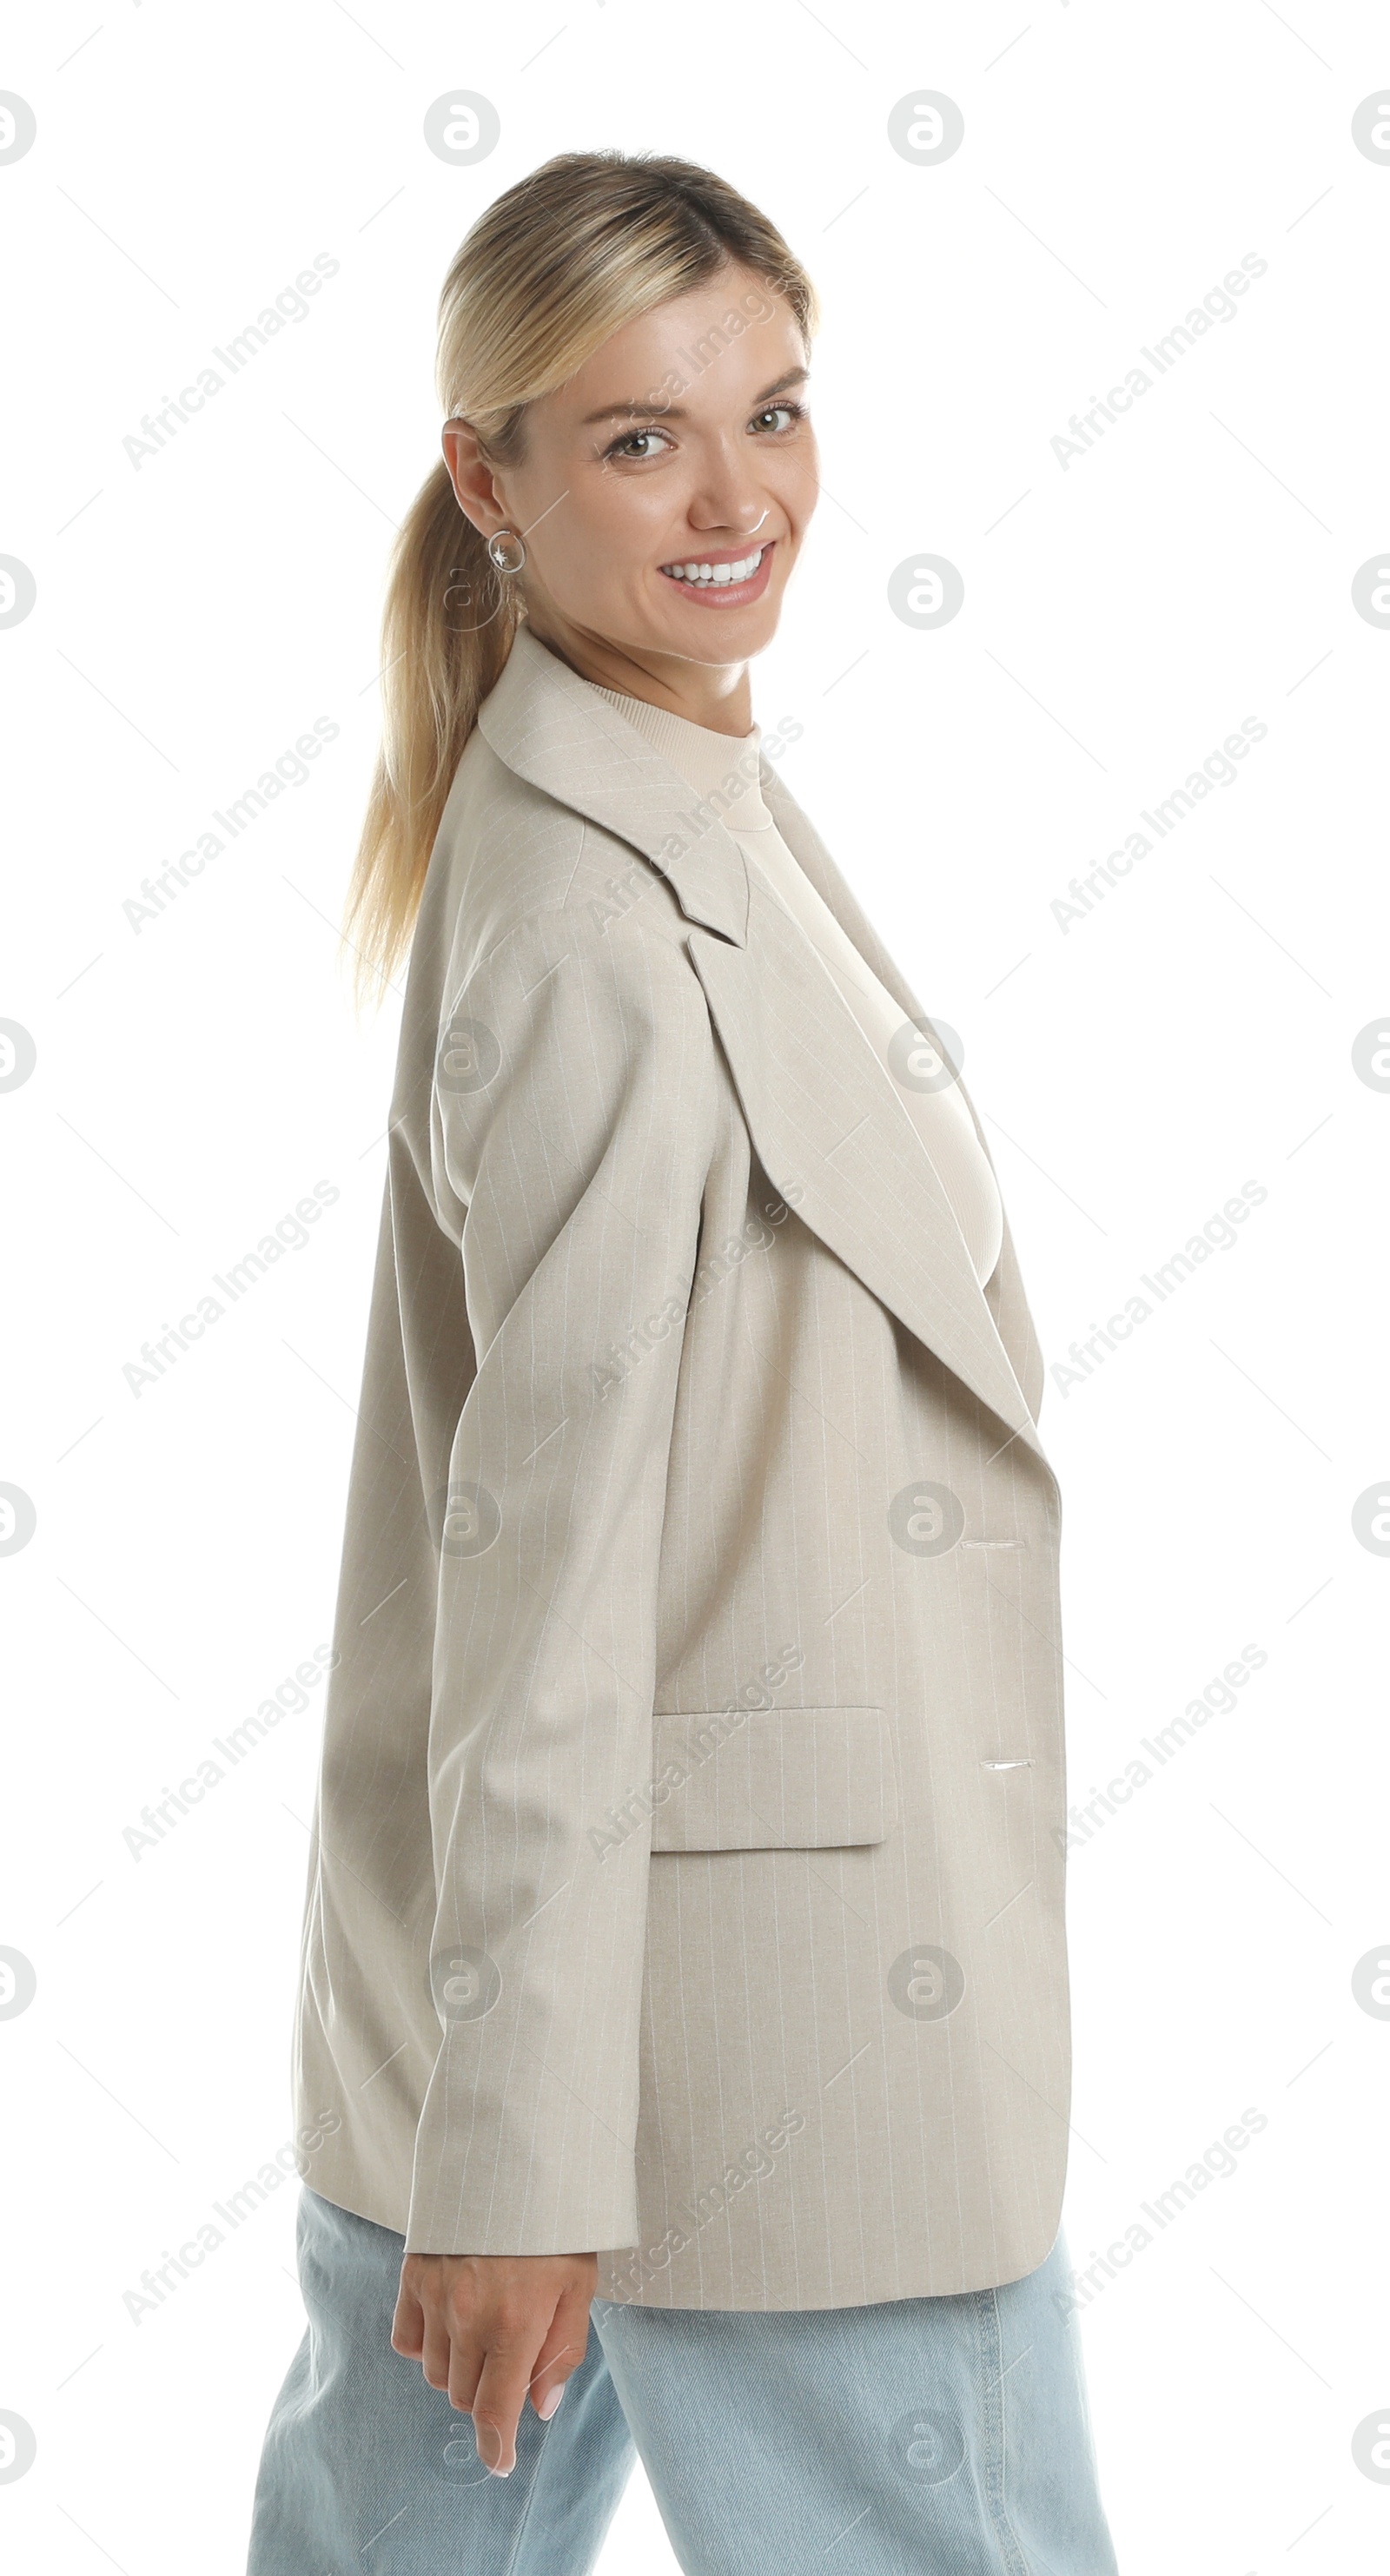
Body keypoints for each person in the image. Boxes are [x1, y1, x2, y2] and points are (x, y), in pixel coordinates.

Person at [247, 149, 1119, 2575]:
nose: (741, 497)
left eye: (778, 408)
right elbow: (539, 1579)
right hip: (738, 2047)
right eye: (640, 437)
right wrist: (514, 2166)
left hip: (558, 2016)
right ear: (487, 478)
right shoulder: (597, 920)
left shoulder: (655, 786)